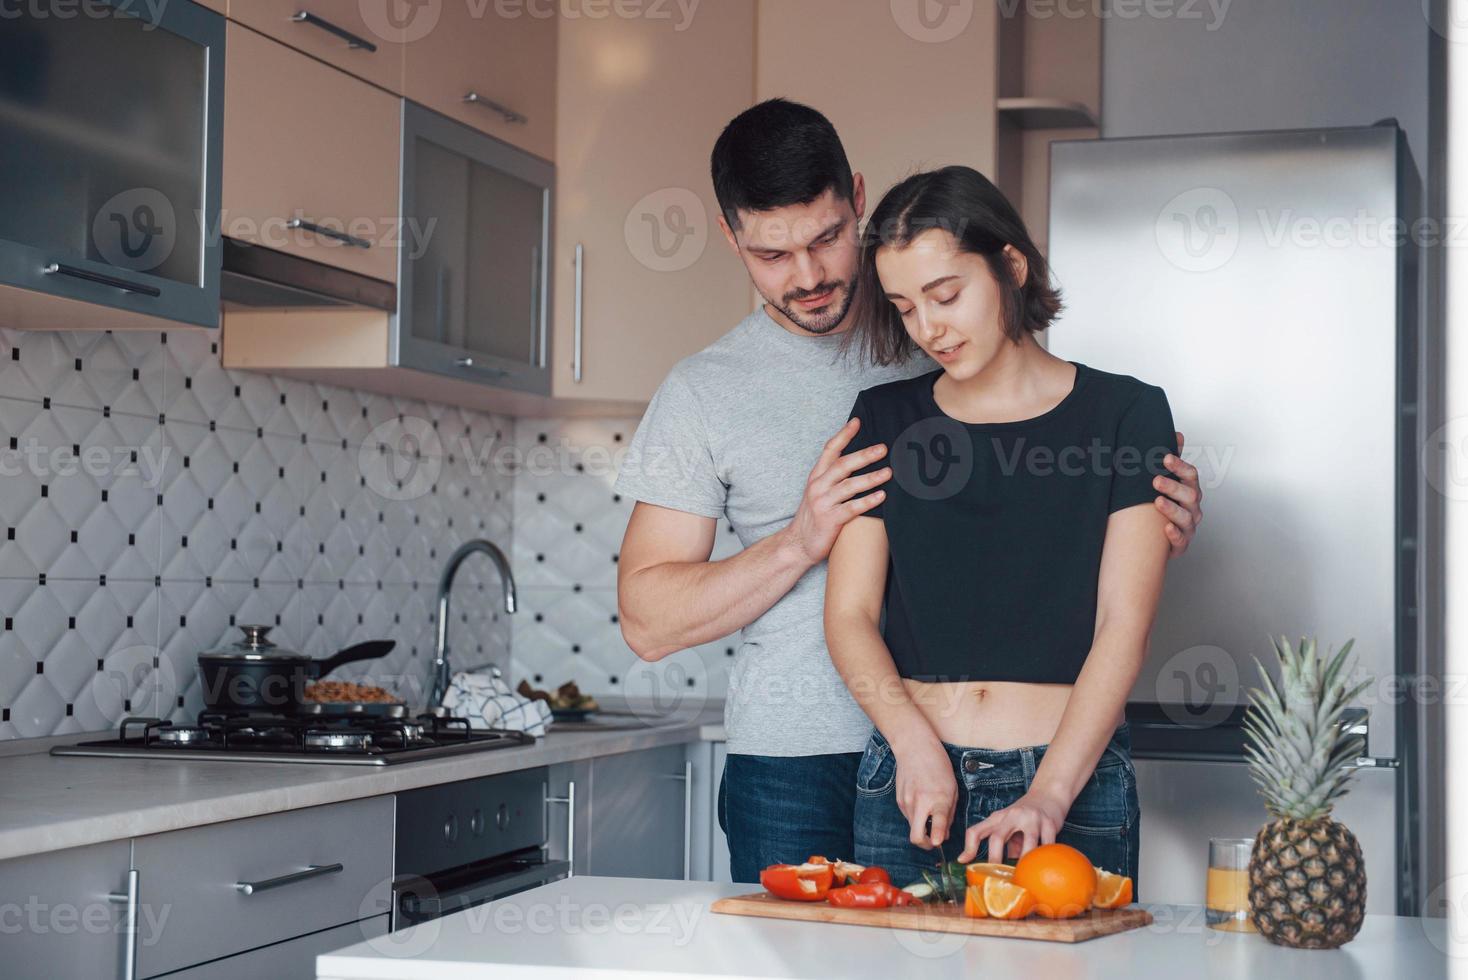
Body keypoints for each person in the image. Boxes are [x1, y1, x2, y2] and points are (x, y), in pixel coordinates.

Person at [614, 100, 1203, 884]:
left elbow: (1071, 528)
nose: (810, 275)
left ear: (857, 199)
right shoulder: (706, 392)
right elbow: (647, 622)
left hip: (987, 753)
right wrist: (798, 541)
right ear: (731, 239)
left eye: (826, 239)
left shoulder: (988, 354)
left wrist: (1141, 498)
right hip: (799, 759)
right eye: (772, 255)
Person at [826, 165, 1173, 890]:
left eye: (946, 295)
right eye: (905, 307)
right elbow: (850, 616)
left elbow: (1122, 627)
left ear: (1010, 265)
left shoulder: (1127, 415)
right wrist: (913, 746)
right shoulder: (884, 418)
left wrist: (1048, 791)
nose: (929, 328)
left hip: (1069, 783)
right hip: (912, 781)